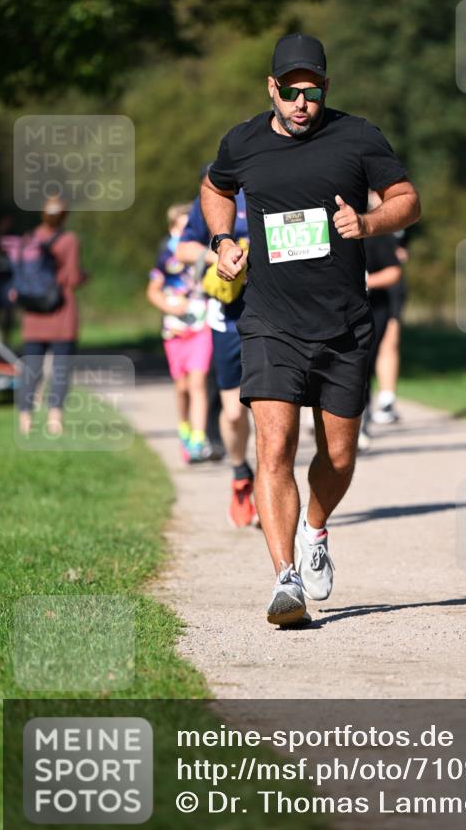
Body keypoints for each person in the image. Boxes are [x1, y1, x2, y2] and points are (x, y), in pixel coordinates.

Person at [201, 33, 421, 625]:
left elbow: (408, 200)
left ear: (325, 89)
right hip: (271, 321)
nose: (303, 102)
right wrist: (222, 241)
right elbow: (215, 186)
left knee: (340, 456)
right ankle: (285, 579)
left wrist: (369, 221)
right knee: (275, 447)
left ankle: (316, 531)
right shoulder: (242, 141)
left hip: (344, 324)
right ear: (272, 89)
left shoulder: (358, 137)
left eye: (313, 91)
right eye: (292, 92)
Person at [176, 184, 259, 528]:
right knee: (233, 412)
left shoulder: (288, 183)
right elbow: (183, 248)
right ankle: (240, 472)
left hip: (278, 314)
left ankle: (272, 494)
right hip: (228, 318)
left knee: (276, 411)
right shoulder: (218, 194)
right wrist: (224, 254)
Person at [147, 203, 213, 463]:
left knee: (198, 383)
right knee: (182, 386)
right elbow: (152, 290)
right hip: (174, 328)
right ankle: (184, 427)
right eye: (183, 227)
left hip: (201, 324)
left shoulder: (204, 250)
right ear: (172, 228)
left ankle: (198, 439)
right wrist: (169, 305)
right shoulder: (166, 251)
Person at [16, 195, 87, 436]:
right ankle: (55, 420)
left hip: (33, 314)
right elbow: (73, 277)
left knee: (31, 367)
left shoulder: (29, 239)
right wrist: (84, 276)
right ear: (64, 215)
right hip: (61, 313)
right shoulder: (69, 240)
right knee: (60, 368)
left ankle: (25, 420)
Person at [359, 231, 403, 451]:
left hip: (373, 309)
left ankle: (360, 425)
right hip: (327, 308)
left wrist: (364, 281)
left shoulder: (375, 233)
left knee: (361, 366)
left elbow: (394, 271)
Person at [372, 229, 410, 425]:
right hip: (362, 277)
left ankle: (387, 401)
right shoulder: (357, 202)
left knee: (389, 340)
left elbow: (404, 246)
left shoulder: (400, 204)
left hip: (390, 282)